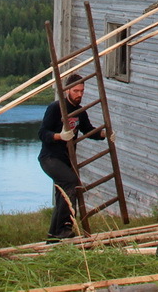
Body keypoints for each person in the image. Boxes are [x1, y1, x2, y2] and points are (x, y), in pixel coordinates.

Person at [38, 76, 107, 240]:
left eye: (82, 91)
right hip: (50, 158)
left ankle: (53, 237)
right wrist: (59, 136)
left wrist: (105, 134)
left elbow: (89, 130)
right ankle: (64, 230)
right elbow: (42, 133)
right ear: (68, 90)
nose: (79, 94)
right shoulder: (56, 108)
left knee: (62, 195)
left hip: (65, 160)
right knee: (71, 183)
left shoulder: (80, 112)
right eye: (75, 91)